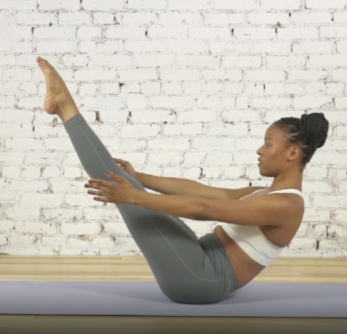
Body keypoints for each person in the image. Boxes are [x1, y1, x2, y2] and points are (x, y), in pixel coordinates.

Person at [36, 56, 329, 304]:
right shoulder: (264, 193)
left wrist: (135, 195)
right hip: (200, 258)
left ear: (292, 153)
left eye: (267, 144)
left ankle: (65, 108)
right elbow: (202, 192)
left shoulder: (287, 205)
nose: (259, 150)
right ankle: (66, 108)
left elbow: (204, 209)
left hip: (203, 279)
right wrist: (140, 178)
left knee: (122, 189)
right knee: (127, 184)